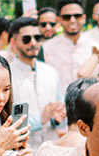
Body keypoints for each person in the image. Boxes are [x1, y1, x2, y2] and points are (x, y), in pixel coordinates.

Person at [6, 16, 64, 147]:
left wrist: (58, 118)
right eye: (26, 39)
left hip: (50, 149)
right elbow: (2, 121)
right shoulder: (6, 75)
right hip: (20, 152)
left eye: (37, 38)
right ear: (13, 42)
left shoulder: (51, 72)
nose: (33, 43)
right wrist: (40, 120)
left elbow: (61, 115)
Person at [43, 0, 90, 91]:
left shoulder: (96, 46)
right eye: (67, 17)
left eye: (77, 16)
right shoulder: (46, 48)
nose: (72, 20)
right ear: (59, 20)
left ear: (83, 18)